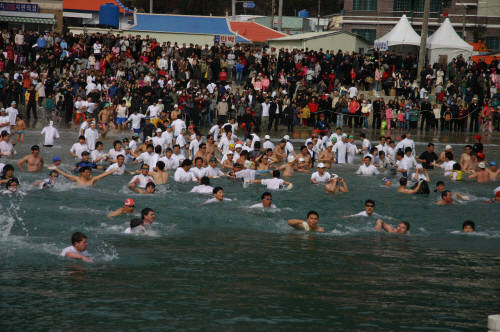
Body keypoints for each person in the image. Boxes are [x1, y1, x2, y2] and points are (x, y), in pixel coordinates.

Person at [51, 165, 117, 187]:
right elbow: (65, 175)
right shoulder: (76, 179)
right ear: (82, 173)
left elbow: (103, 175)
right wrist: (56, 168)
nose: (89, 174)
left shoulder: (93, 179)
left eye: (90, 172)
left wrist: (113, 170)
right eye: (87, 172)